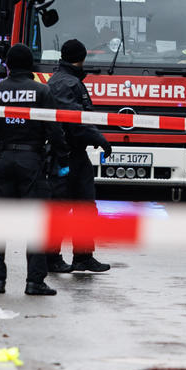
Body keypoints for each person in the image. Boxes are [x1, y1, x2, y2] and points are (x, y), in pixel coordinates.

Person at [0, 44, 70, 296]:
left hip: (3, 160)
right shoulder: (42, 91)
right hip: (32, 161)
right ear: (31, 66)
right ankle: (34, 281)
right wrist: (62, 160)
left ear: (7, 64)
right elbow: (54, 129)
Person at [45, 39, 113, 274]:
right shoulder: (67, 83)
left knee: (84, 206)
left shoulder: (66, 80)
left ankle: (83, 257)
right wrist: (100, 139)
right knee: (61, 208)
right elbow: (75, 121)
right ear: (82, 57)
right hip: (64, 155)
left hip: (74, 154)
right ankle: (51, 258)